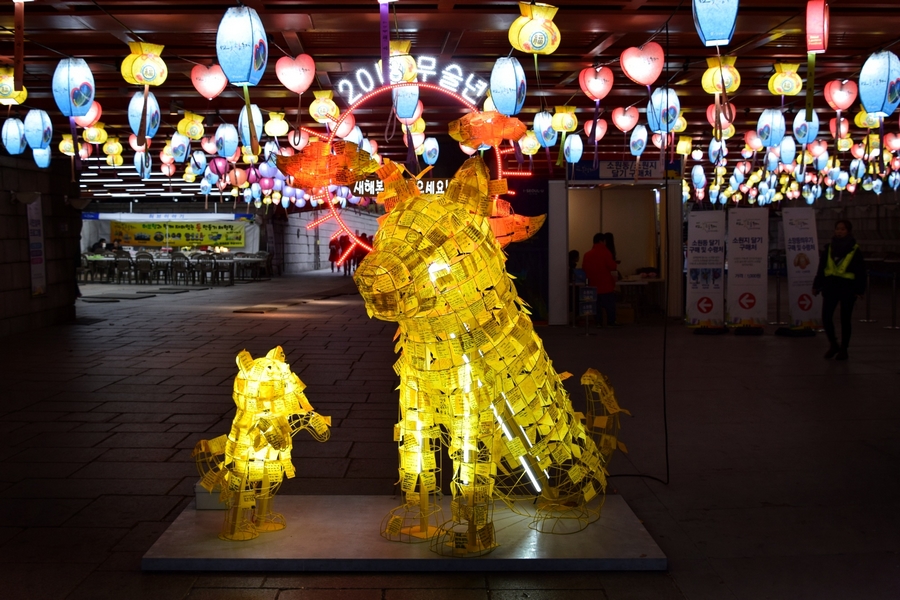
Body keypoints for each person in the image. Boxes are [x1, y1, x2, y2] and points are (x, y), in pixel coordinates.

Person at [813, 219, 866, 360]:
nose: (839, 231)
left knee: (845, 320)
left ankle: (844, 349)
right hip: (831, 287)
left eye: (843, 229)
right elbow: (822, 268)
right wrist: (816, 285)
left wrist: (860, 290)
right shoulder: (829, 248)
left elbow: (860, 271)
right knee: (826, 317)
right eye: (837, 229)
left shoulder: (854, 249)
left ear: (848, 231)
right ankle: (833, 344)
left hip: (848, 288)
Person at [582, 232, 619, 326]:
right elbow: (612, 266)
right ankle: (611, 322)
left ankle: (598, 322)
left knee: (596, 306)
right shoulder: (606, 252)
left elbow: (584, 268)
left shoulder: (587, 254)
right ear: (601, 241)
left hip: (593, 284)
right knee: (609, 306)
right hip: (606, 284)